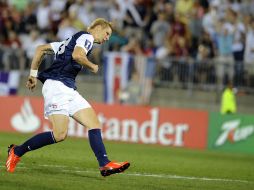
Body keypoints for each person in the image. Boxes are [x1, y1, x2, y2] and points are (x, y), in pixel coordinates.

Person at [5, 18, 130, 176]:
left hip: (67, 88)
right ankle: (17, 151)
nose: (107, 38)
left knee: (94, 123)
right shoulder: (87, 37)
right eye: (107, 33)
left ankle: (105, 164)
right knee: (60, 134)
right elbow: (78, 55)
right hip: (57, 87)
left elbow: (40, 49)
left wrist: (33, 75)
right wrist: (92, 66)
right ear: (98, 28)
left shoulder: (69, 41)